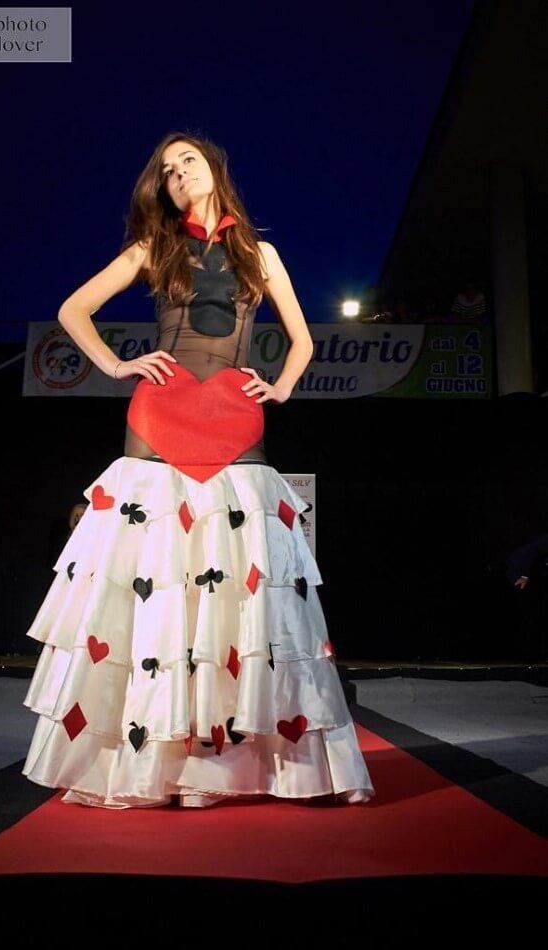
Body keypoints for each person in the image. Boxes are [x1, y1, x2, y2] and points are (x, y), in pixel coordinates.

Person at [21, 131, 375, 810]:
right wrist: (117, 364)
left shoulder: (260, 253)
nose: (178, 172)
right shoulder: (154, 248)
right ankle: (159, 762)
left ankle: (224, 765)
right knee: (161, 586)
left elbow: (302, 340)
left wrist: (283, 385)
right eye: (166, 169)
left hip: (234, 415)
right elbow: (73, 309)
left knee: (237, 587)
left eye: (188, 160)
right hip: (161, 411)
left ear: (214, 168)